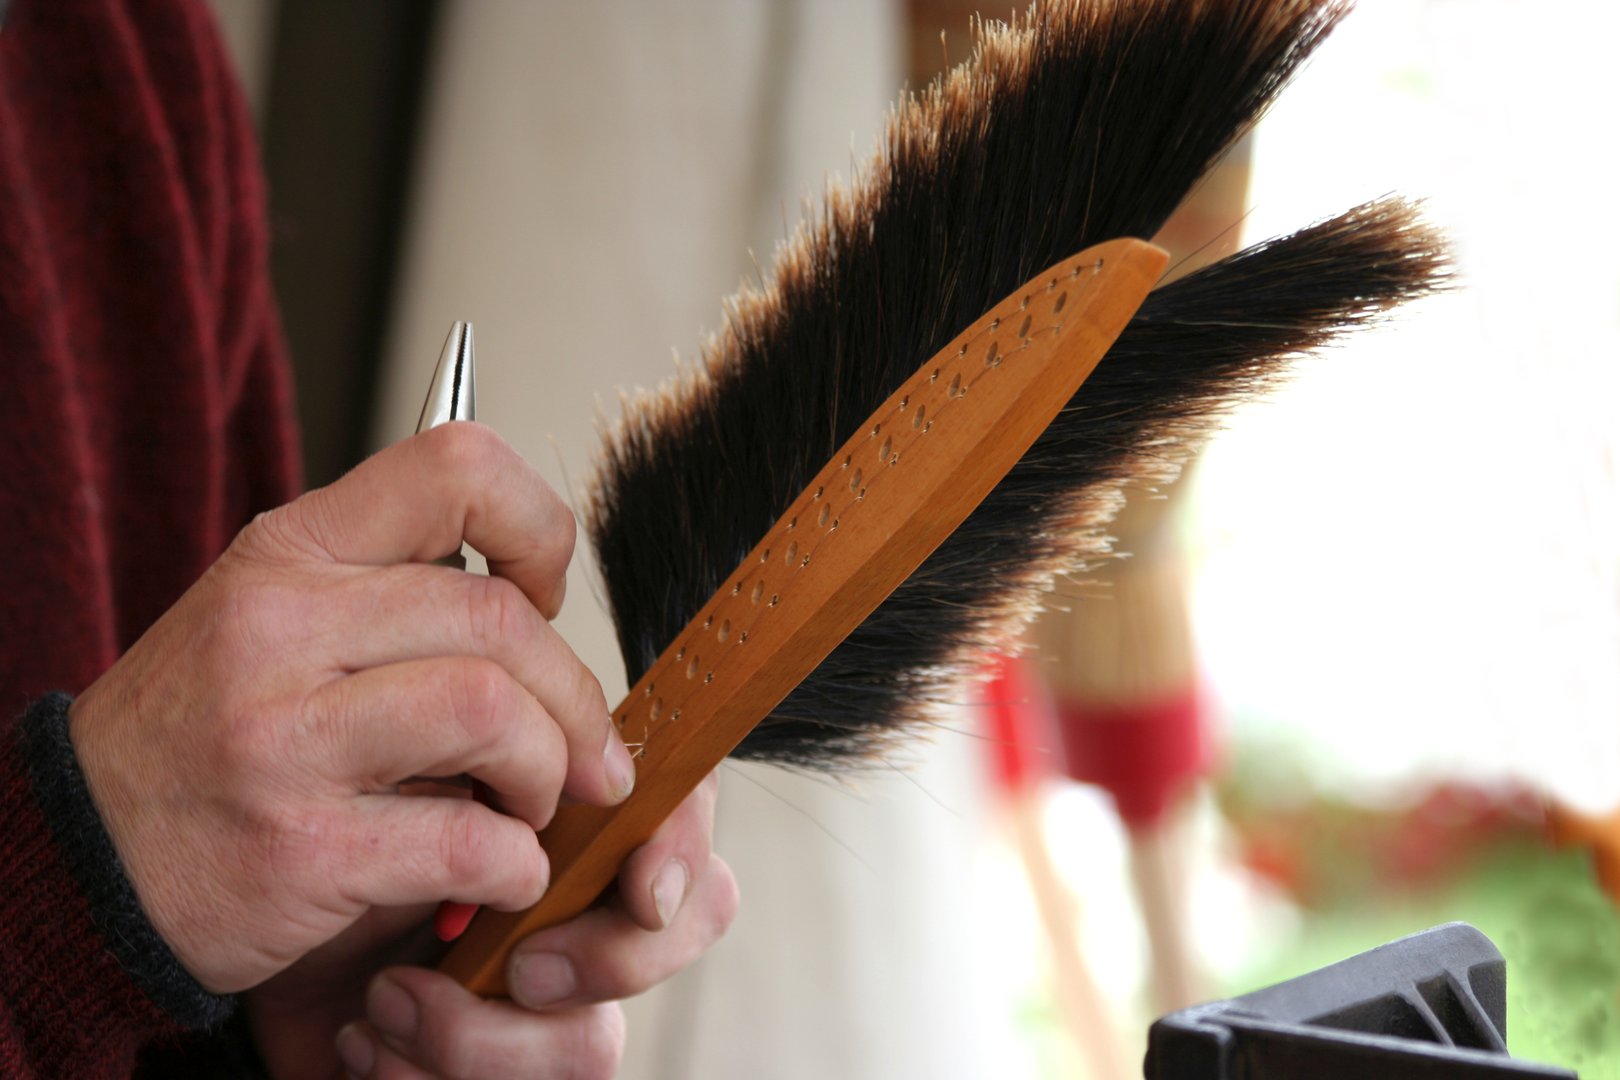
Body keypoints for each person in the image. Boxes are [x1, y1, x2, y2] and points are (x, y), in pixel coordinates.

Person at [0, 1, 736, 1077]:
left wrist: (277, 1021)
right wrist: (82, 886)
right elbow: (92, 921)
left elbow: (146, 999)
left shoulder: (132, 57)